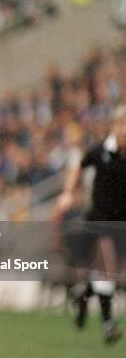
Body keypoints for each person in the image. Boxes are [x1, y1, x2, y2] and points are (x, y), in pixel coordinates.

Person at [54, 105, 125, 344]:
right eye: (123, 125)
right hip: (100, 220)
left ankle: (82, 296)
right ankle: (107, 324)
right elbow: (78, 166)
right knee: (109, 268)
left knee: (110, 274)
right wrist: (67, 192)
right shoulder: (100, 152)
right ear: (114, 127)